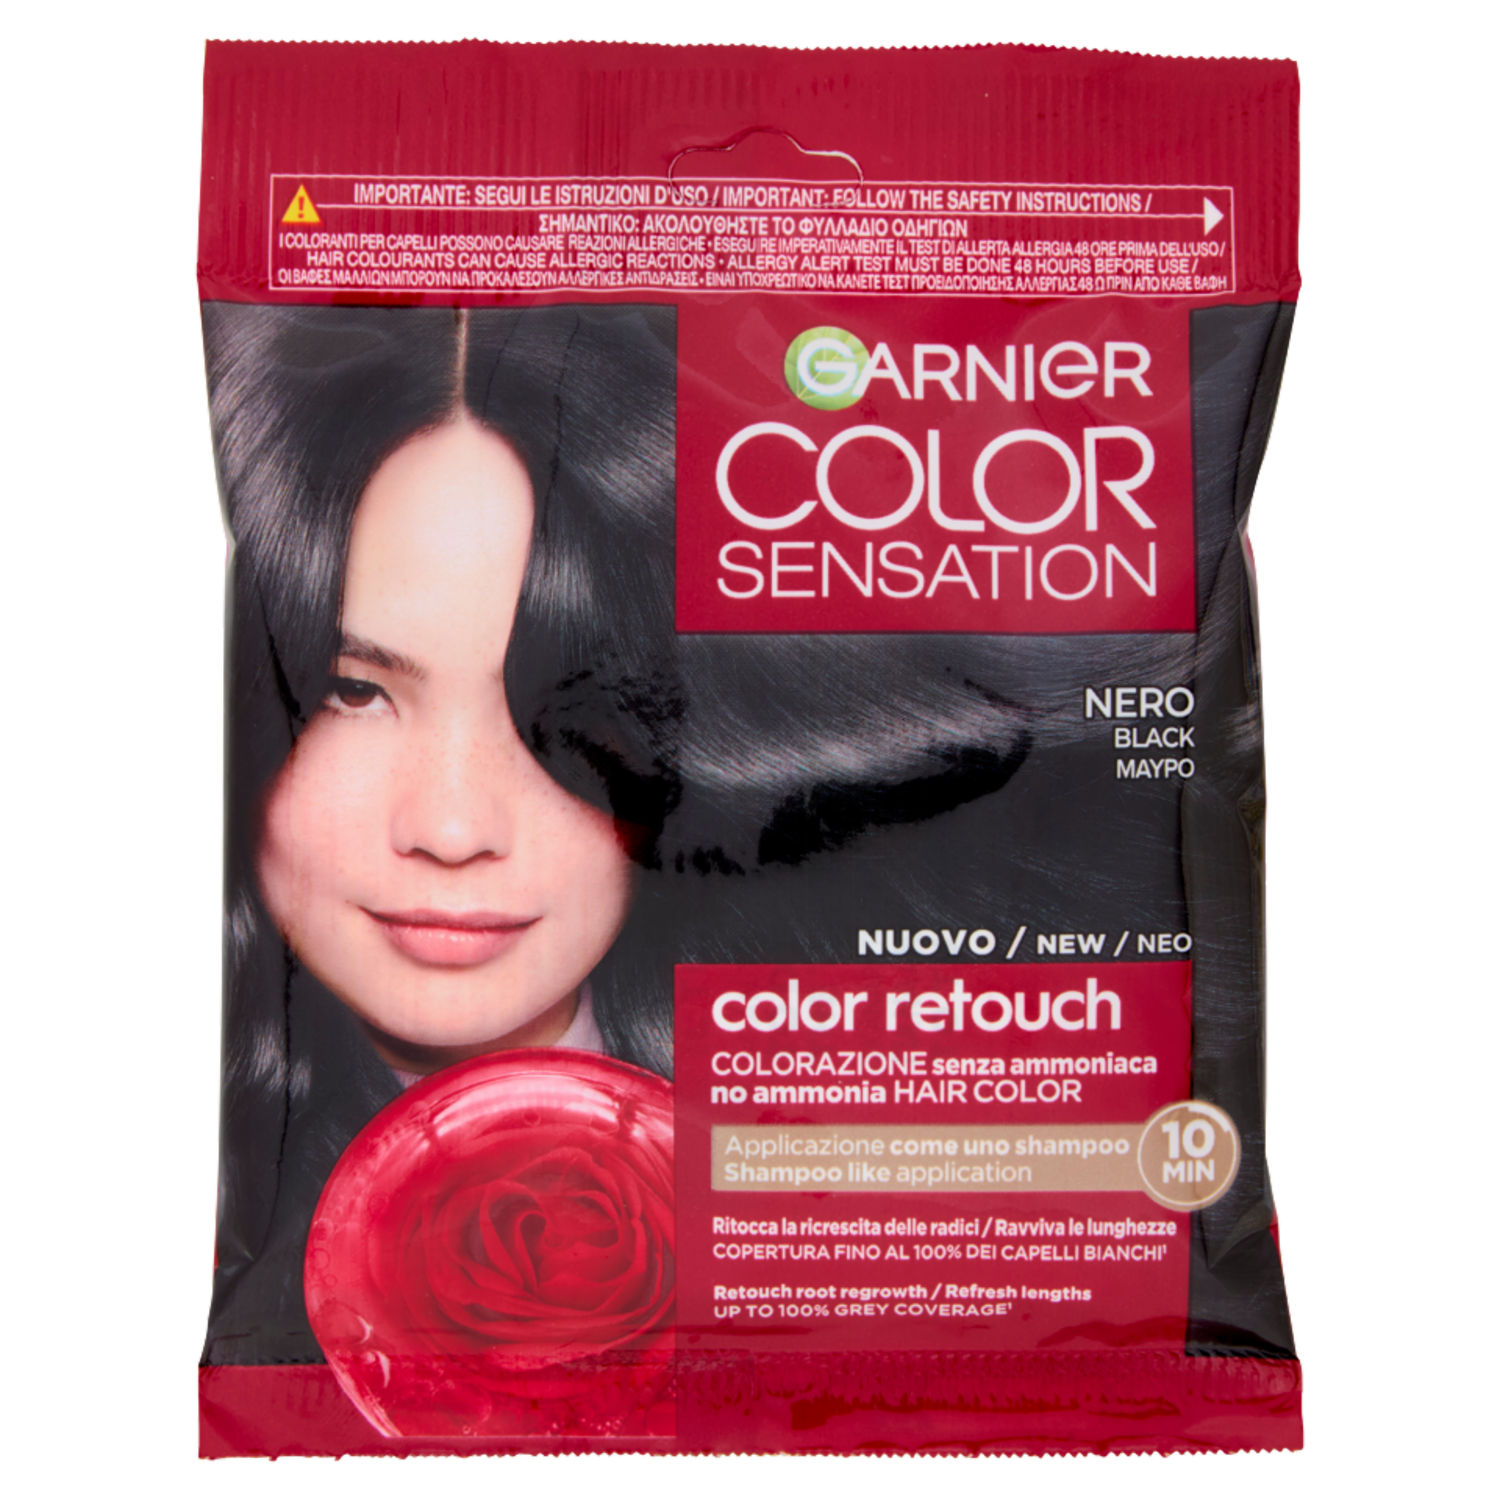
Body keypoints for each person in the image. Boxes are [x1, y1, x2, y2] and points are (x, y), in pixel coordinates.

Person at [203, 300, 1253, 1367]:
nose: (452, 826)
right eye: (355, 692)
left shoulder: (887, 1141)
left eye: (563, 712)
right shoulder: (248, 1207)